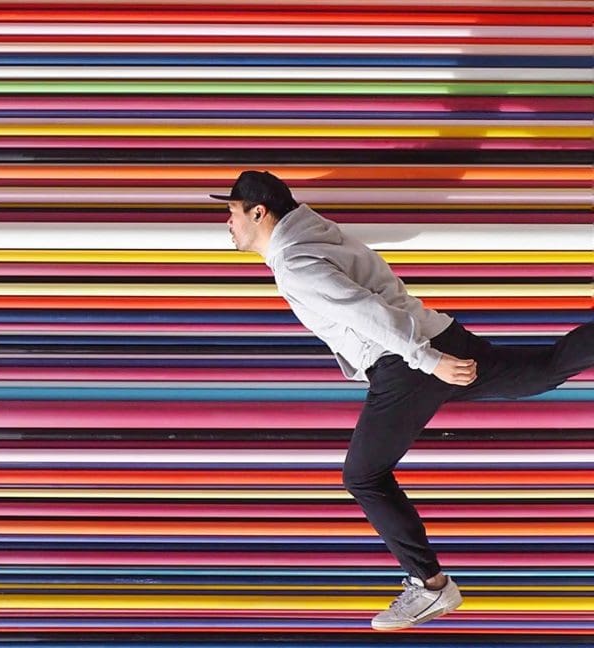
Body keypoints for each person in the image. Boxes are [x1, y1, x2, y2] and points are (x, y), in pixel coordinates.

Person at [209, 170, 594, 631]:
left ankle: (429, 586)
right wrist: (432, 354)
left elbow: (364, 312)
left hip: (407, 363)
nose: (226, 224)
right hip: (436, 335)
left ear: (258, 211)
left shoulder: (295, 262)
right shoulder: (314, 231)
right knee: (543, 372)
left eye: (230, 212)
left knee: (363, 475)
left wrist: (427, 362)